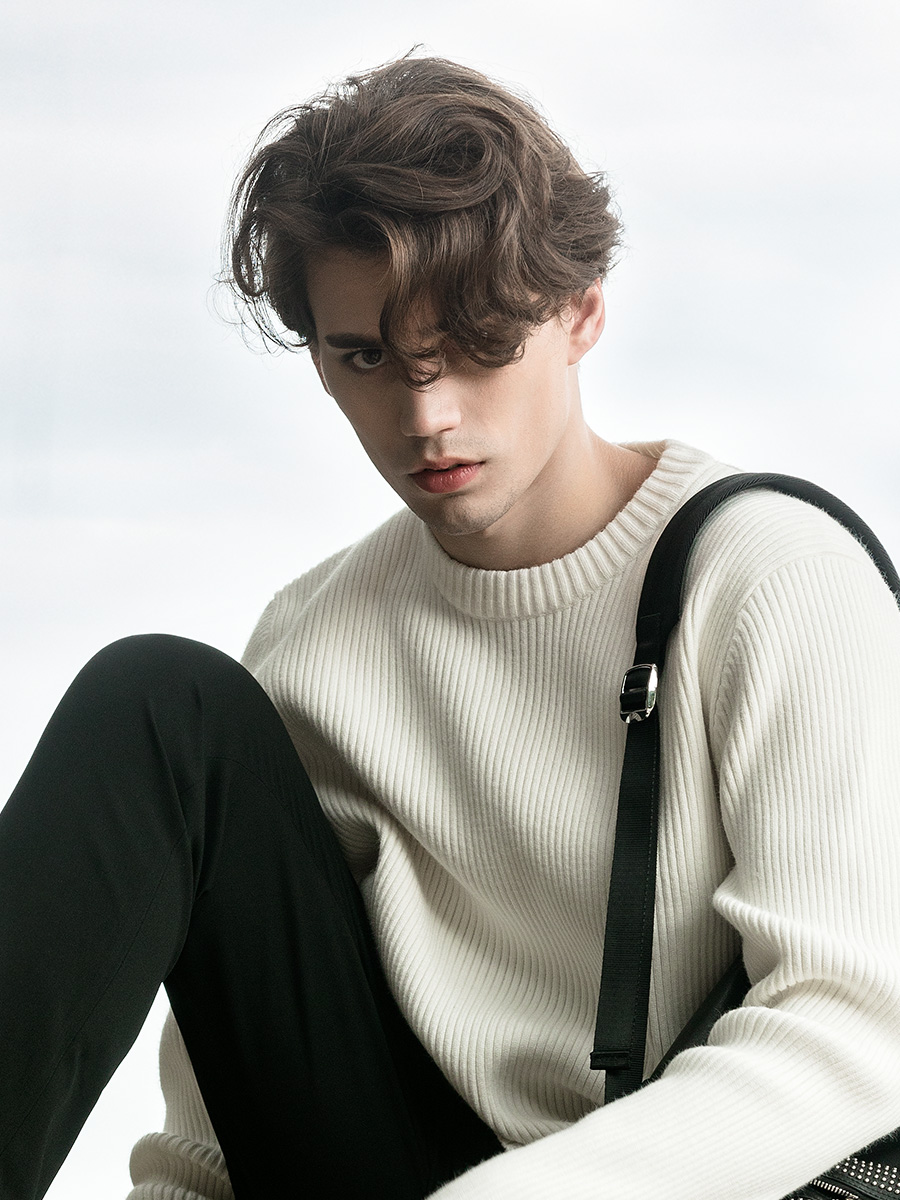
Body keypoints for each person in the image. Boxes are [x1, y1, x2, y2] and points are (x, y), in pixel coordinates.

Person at [2, 52, 900, 1200]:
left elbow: (850, 1022)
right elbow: (217, 1138)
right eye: (367, 357)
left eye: (476, 346)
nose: (427, 415)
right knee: (156, 701)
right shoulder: (316, 643)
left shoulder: (771, 576)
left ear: (581, 312)